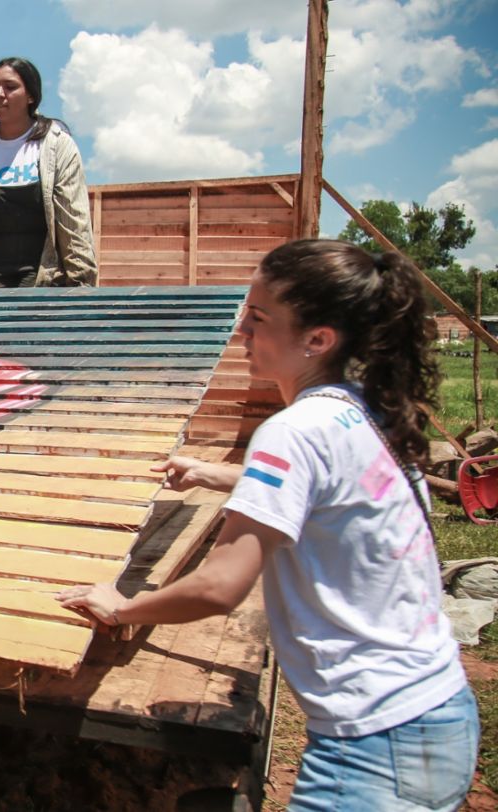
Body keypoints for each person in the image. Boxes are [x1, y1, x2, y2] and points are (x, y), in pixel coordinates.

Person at [58, 240, 476, 811]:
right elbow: (334, 495)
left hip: (374, 745)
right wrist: (217, 473)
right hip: (435, 713)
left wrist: (121, 605)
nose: (240, 332)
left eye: (257, 318)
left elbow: (219, 586)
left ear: (317, 339)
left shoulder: (293, 431)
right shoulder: (362, 413)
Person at [0, 57, 96, 289]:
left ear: (31, 95)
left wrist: (81, 286)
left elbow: (73, 221)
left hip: (41, 278)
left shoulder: (57, 147)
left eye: (10, 87)